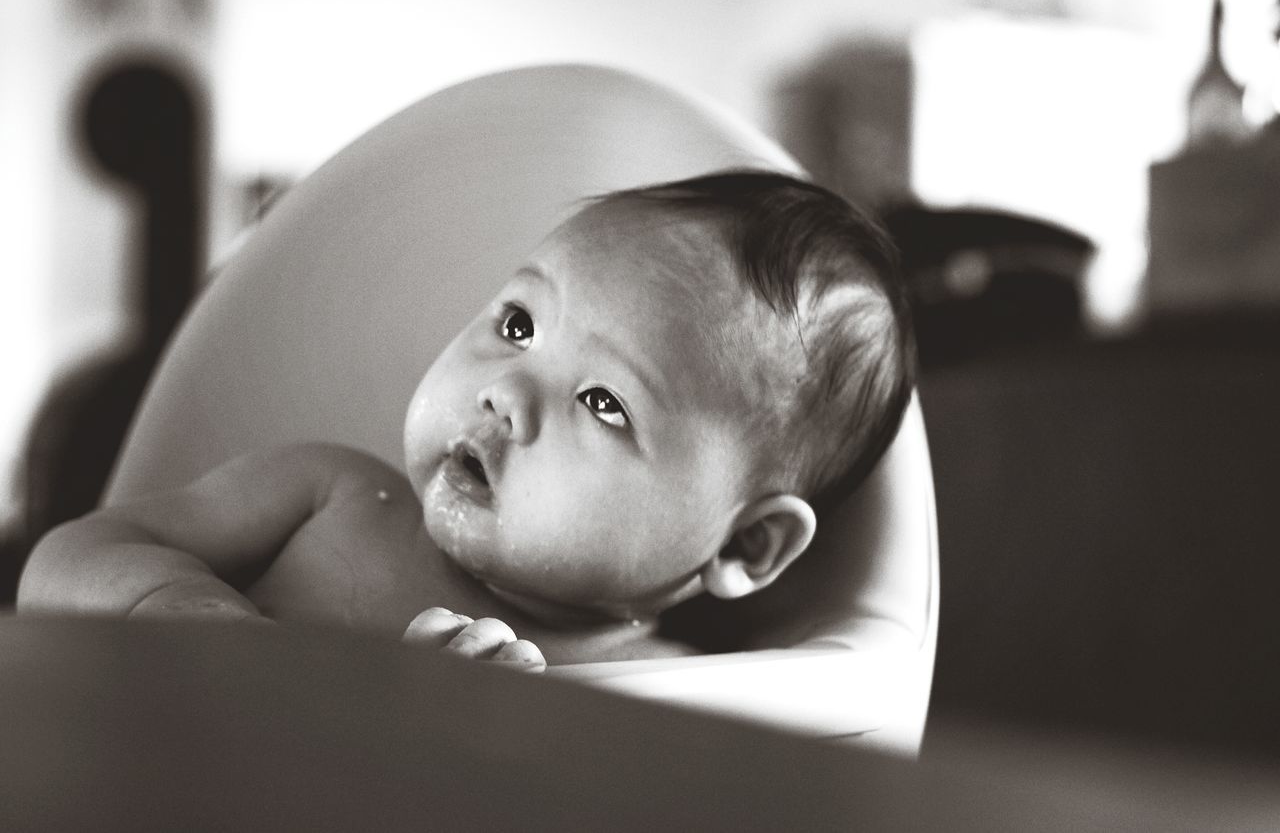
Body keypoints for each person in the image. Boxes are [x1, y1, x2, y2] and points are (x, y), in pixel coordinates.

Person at [17, 170, 915, 671]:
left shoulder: (664, 693)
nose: (506, 393)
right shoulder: (325, 494)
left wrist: (477, 743)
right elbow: (66, 558)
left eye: (605, 403)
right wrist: (178, 607)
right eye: (518, 325)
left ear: (745, 546)